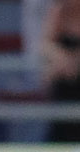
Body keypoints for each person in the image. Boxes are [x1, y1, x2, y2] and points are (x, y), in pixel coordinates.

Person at [42, 0, 80, 140]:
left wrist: (76, 59)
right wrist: (61, 58)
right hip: (65, 79)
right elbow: (45, 44)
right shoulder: (59, 11)